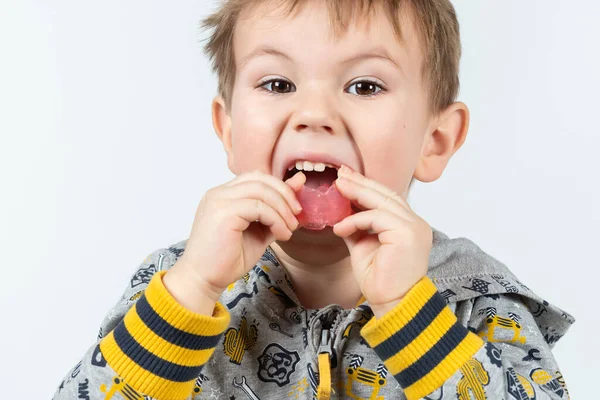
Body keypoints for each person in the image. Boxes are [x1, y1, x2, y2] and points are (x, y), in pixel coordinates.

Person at [53, 1, 574, 399]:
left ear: (435, 141)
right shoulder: (176, 284)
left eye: (365, 86)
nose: (313, 112)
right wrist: (191, 289)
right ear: (229, 129)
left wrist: (409, 310)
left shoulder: (476, 302)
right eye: (278, 83)